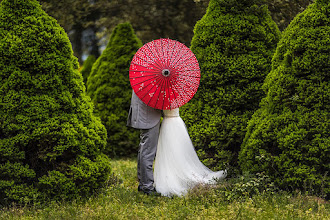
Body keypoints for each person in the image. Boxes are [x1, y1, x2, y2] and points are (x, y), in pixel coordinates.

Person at [154, 108, 227, 197]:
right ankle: (176, 172)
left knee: (172, 150)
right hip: (177, 123)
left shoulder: (164, 99)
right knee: (176, 150)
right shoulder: (176, 96)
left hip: (168, 124)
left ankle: (174, 174)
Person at [127, 91, 162, 195]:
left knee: (144, 148)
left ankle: (143, 183)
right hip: (148, 114)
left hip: (145, 113)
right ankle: (147, 186)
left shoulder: (141, 75)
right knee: (147, 150)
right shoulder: (149, 75)